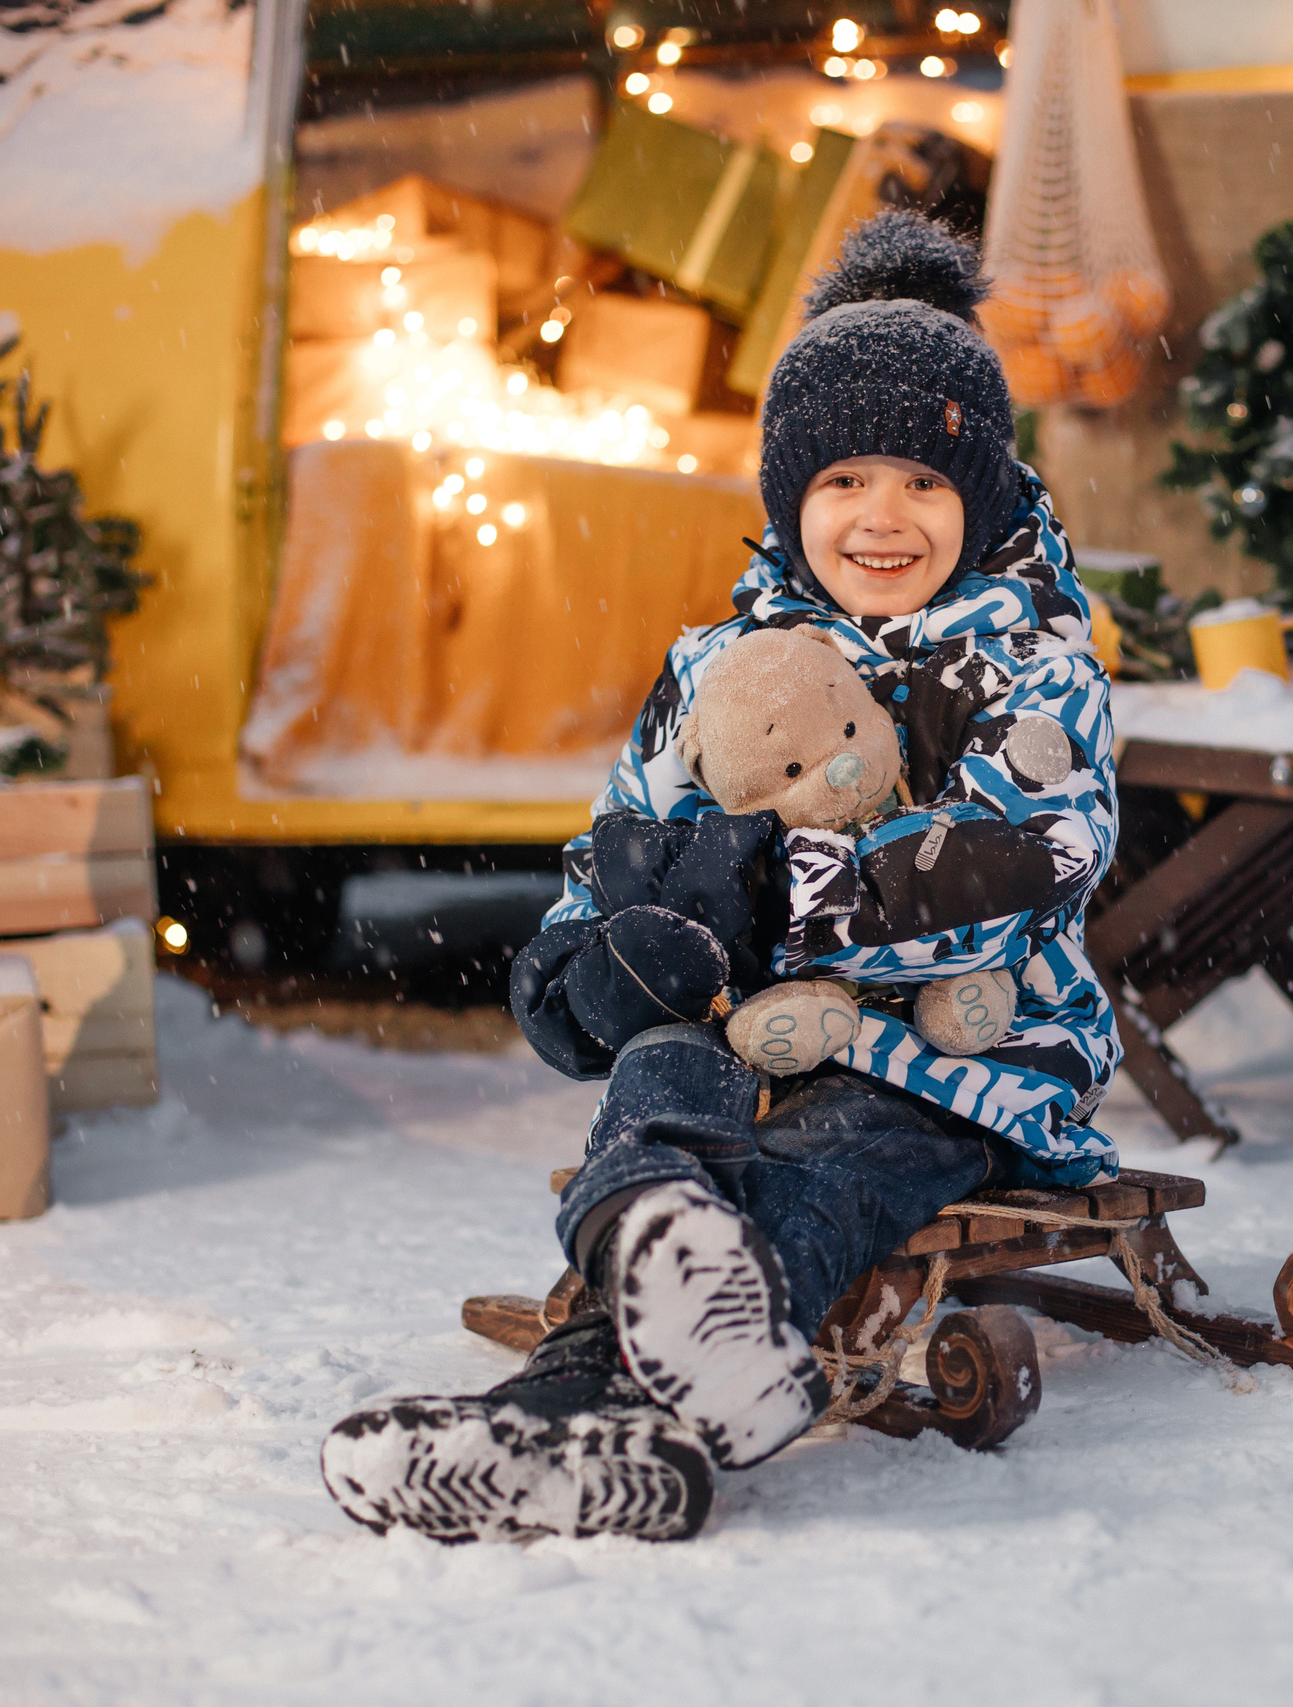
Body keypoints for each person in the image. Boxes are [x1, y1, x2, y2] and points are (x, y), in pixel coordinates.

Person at [320, 212, 1122, 1544]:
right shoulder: (716, 668)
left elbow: (1019, 864)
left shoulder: (1031, 670)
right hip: (749, 1036)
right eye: (844, 481)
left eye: (924, 483)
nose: (882, 516)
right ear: (789, 496)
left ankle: (697, 1361)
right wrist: (596, 955)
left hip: (962, 1055)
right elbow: (629, 831)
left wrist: (766, 901)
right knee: (657, 1096)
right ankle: (571, 1428)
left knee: (819, 1158)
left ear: (977, 497)